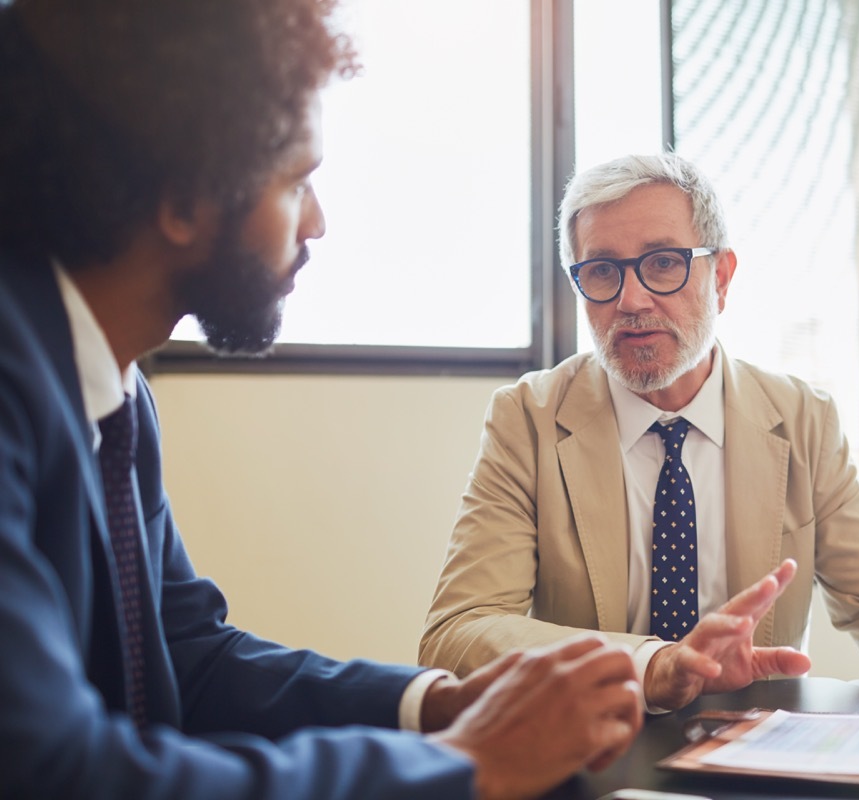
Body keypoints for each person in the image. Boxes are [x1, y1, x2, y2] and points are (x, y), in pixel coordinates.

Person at [0, 1, 642, 798]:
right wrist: (473, 765)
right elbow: (52, 770)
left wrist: (438, 709)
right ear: (185, 202)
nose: (319, 221)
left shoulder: (112, 387)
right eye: (298, 182)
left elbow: (189, 657)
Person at [420, 152, 859, 720]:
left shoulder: (803, 418)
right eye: (601, 270)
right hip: (591, 752)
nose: (631, 299)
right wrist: (652, 664)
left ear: (722, 276)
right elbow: (459, 630)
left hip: (758, 756)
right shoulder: (527, 418)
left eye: (662, 262)